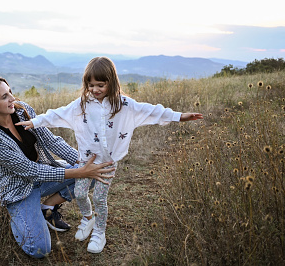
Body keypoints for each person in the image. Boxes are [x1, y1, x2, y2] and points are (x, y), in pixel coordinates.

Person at [16, 57, 203, 253]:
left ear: (111, 82)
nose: (95, 89)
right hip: (85, 160)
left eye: (100, 85)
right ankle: (88, 219)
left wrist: (179, 116)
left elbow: (150, 111)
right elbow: (58, 114)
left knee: (99, 199)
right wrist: (35, 122)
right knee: (79, 194)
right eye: (91, 85)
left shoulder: (123, 104)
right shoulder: (82, 104)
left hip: (107, 163)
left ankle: (99, 232)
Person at [0, 76, 115, 259]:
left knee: (93, 172)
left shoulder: (23, 111)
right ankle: (20, 216)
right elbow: (30, 170)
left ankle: (48, 208)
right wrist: (79, 171)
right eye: (4, 97)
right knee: (40, 249)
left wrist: (82, 162)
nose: (13, 99)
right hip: (20, 190)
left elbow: (51, 141)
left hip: (43, 176)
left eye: (10, 92)